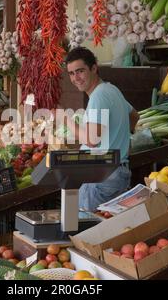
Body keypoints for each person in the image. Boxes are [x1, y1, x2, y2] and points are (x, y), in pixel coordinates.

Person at [64, 47, 139, 212]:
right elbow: (134, 116)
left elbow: (91, 140)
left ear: (94, 68)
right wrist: (120, 137)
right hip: (114, 173)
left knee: (88, 231)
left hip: (103, 177)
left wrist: (67, 121)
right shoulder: (111, 89)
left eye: (80, 71)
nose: (76, 78)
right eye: (71, 73)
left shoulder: (98, 96)